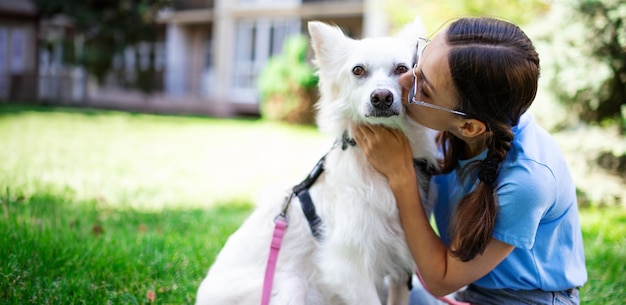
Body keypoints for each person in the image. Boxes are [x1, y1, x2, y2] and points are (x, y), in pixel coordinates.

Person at [353, 17, 587, 305]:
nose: (403, 80)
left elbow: (441, 279)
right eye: (417, 64)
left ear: (469, 127)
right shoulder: (461, 127)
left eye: (423, 88)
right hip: (470, 293)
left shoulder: (527, 181)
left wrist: (401, 177)